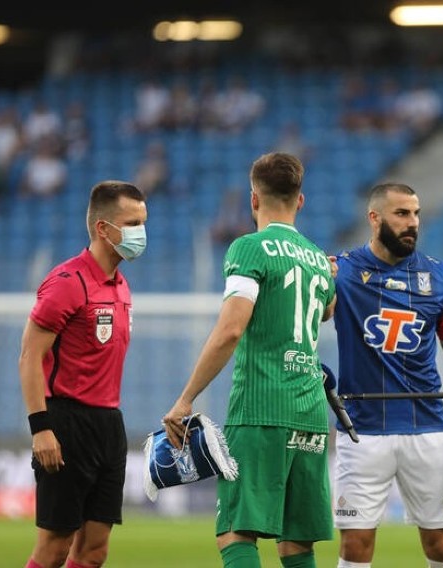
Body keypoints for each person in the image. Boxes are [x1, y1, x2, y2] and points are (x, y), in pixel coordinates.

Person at [162, 152, 337, 568]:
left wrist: (186, 399)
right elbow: (328, 307)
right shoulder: (317, 258)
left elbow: (230, 329)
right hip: (310, 412)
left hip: (262, 406)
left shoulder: (250, 248)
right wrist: (328, 274)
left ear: (253, 199)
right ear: (301, 200)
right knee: (296, 542)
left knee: (235, 531)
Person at [330, 182, 443, 568]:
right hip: (361, 431)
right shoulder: (341, 272)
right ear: (374, 218)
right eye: (402, 214)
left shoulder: (440, 279)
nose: (413, 223)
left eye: (416, 214)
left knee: (440, 546)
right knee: (355, 546)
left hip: (426, 428)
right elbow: (315, 312)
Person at [18, 180, 148, 568]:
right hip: (66, 421)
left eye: (143, 222)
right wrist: (41, 427)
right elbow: (29, 356)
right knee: (56, 546)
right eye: (132, 223)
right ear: (102, 228)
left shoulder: (121, 285)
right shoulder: (66, 282)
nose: (141, 233)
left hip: (109, 424)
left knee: (94, 551)